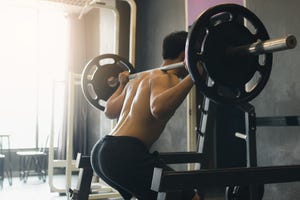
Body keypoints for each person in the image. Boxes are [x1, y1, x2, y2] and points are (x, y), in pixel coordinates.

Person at [91, 31, 199, 200]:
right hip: (124, 153)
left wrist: (121, 84)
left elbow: (110, 110)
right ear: (184, 55)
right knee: (189, 196)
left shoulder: (138, 79)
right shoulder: (166, 77)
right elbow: (158, 108)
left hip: (102, 151)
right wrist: (194, 76)